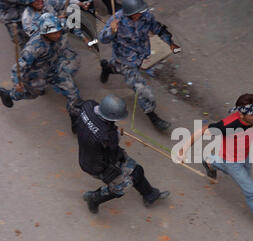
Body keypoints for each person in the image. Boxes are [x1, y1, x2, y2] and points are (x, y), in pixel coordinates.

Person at [179, 93, 253, 240]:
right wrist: (183, 149)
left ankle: (210, 161)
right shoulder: (228, 125)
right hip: (231, 160)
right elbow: (202, 130)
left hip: (246, 155)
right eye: (251, 115)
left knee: (241, 177)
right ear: (241, 114)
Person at [75, 95, 170, 213]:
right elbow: (113, 153)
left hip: (87, 155)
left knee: (137, 170)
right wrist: (116, 134)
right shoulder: (108, 135)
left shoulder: (88, 106)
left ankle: (150, 195)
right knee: (120, 188)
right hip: (98, 165)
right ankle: (95, 198)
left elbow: (77, 110)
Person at [98, 0, 181, 131]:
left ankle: (107, 68)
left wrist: (170, 42)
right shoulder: (117, 20)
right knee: (141, 89)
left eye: (141, 11)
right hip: (124, 60)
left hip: (140, 56)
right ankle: (153, 116)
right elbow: (102, 39)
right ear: (129, 13)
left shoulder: (146, 15)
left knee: (116, 69)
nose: (141, 14)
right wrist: (111, 31)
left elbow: (157, 28)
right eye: (137, 13)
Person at [0, 12, 82, 132]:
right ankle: (9, 95)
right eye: (53, 33)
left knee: (72, 92)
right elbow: (18, 67)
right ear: (45, 33)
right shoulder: (33, 48)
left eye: (58, 31)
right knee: (31, 94)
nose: (57, 35)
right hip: (36, 75)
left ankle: (75, 117)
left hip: (55, 69)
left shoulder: (60, 29)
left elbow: (68, 25)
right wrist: (17, 83)